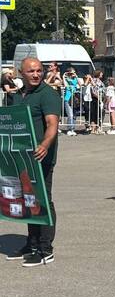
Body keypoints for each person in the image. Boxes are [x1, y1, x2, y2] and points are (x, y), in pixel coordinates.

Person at [5, 58, 61, 267]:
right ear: (22, 73)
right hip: (22, 157)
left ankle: (46, 249)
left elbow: (52, 124)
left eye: (39, 70)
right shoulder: (18, 95)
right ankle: (32, 244)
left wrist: (44, 145)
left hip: (41, 157)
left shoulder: (48, 94)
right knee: (28, 199)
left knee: (43, 200)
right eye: (31, 71)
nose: (36, 74)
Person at [62, 68, 80, 136]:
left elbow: (80, 84)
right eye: (72, 73)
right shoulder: (66, 79)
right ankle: (70, 129)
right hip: (68, 98)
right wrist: (64, 77)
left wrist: (76, 76)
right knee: (70, 115)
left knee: (74, 115)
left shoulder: (75, 79)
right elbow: (66, 86)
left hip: (75, 99)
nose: (73, 74)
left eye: (74, 72)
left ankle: (73, 129)